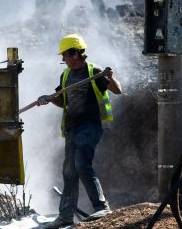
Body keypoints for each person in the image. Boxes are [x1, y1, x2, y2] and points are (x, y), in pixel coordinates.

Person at [38, 33, 122, 228]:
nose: (64, 60)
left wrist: (110, 77)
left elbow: (118, 90)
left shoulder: (94, 71)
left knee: (81, 163)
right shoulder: (66, 75)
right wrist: (48, 99)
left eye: (65, 56)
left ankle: (101, 206)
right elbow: (63, 100)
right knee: (69, 171)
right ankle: (65, 215)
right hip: (71, 127)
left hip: (90, 125)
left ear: (75, 53)